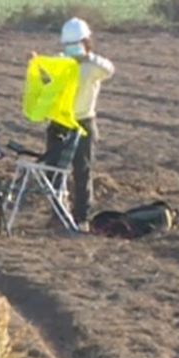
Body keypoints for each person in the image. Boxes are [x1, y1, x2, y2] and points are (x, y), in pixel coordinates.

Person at [54, 17, 114, 224]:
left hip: (78, 123)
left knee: (79, 171)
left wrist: (88, 58)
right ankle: (65, 214)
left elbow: (109, 69)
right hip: (65, 122)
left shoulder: (89, 66)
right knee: (67, 172)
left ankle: (80, 216)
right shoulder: (64, 64)